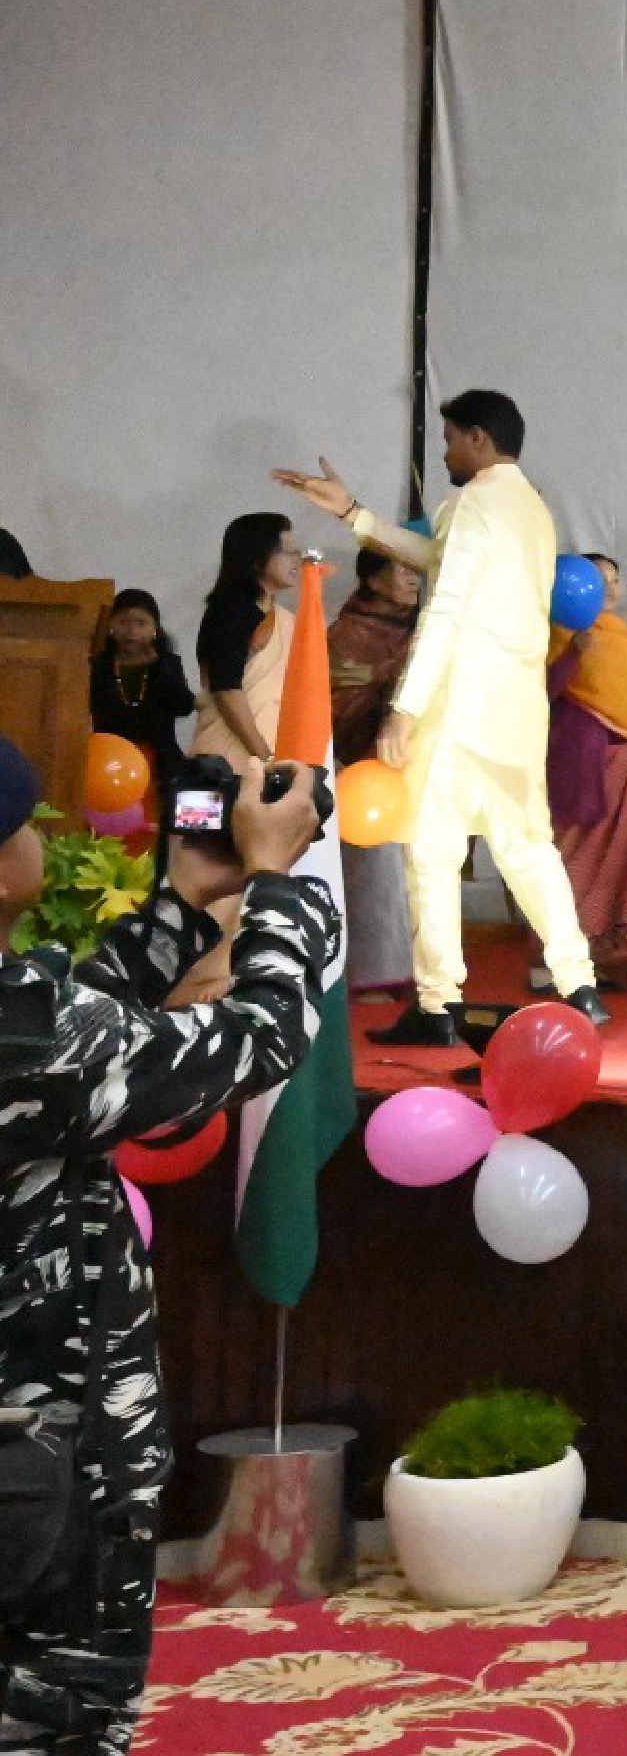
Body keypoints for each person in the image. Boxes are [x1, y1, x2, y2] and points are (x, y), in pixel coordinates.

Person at [0, 735, 334, 1754]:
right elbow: (263, 1032)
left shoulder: (36, 1028)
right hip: (38, 1457)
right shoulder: (32, 1037)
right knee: (54, 1719)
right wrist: (280, 882)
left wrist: (187, 905)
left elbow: (82, 1031)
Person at [272, 394, 606, 1041]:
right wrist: (353, 513)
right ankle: (580, 985)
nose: (447, 451)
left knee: (431, 850)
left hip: (458, 705)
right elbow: (442, 562)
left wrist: (405, 707)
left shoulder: (475, 500)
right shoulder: (532, 509)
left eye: (451, 438)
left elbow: (445, 606)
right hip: (516, 706)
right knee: (528, 846)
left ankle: (437, 1003)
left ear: (479, 439)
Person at [546, 555, 627, 994]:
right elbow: (534, 695)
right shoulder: (552, 634)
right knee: (575, 866)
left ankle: (619, 964)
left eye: (616, 580)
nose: (610, 588)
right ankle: (563, 965)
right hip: (579, 770)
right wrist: (571, 657)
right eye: (599, 580)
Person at [325, 548, 422, 1003]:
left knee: (418, 871)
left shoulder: (424, 626)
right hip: (361, 768)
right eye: (402, 569)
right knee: (373, 871)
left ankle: (413, 968)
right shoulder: (348, 633)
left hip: (413, 763)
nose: (411, 578)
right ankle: (372, 977)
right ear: (373, 580)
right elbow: (337, 702)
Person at [187, 513, 295, 766]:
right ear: (257, 558)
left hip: (273, 758)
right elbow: (226, 689)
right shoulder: (229, 611)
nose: (296, 561)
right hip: (227, 761)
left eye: (297, 552)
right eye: (287, 552)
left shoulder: (284, 618)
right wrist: (265, 756)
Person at [86, 590, 195, 808]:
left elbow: (184, 706)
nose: (132, 631)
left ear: (155, 629)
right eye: (124, 622)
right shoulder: (98, 665)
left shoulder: (168, 663)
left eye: (141, 623)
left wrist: (159, 668)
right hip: (109, 761)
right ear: (111, 625)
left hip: (159, 762)